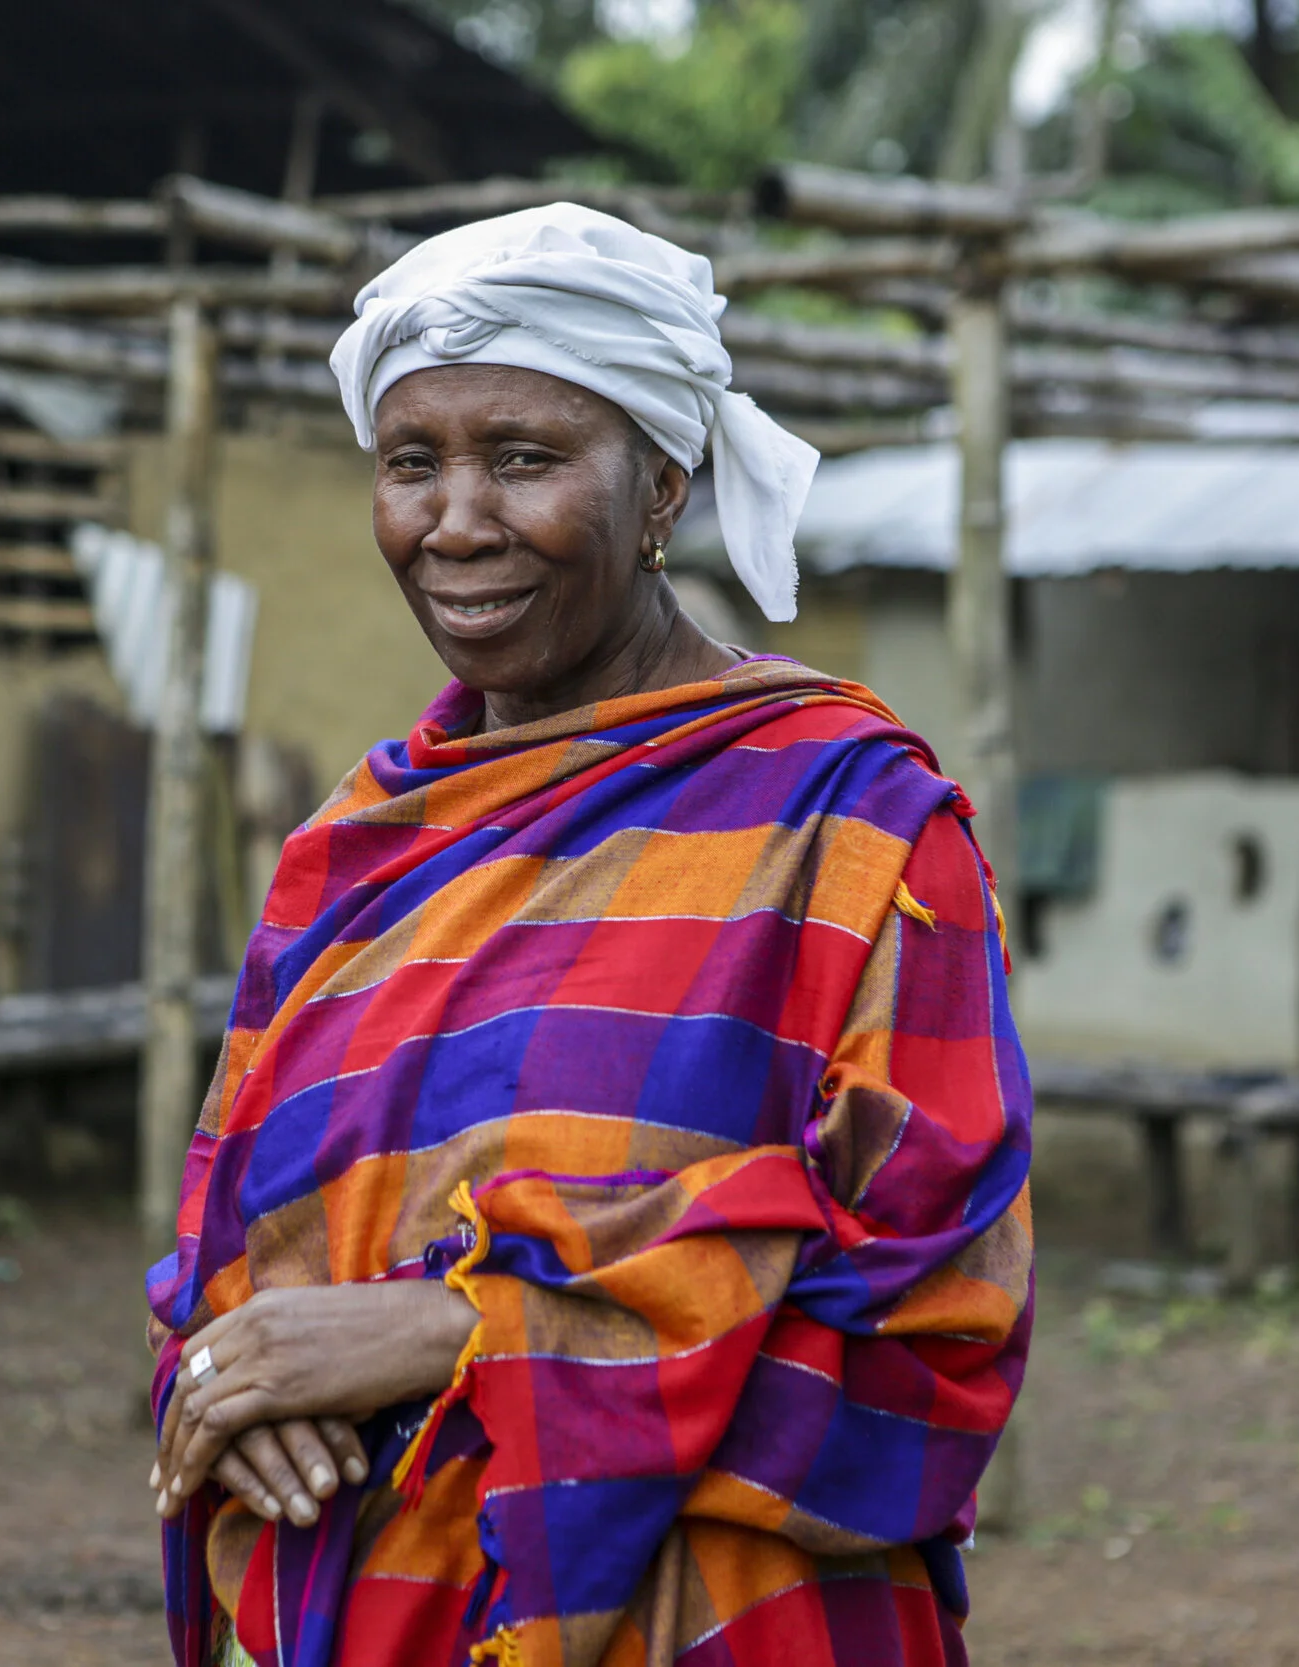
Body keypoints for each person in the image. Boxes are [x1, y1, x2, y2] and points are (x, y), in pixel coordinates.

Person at [146, 204, 1033, 1667]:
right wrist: (239, 1383)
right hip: (372, 1613)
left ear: (664, 485)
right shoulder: (359, 849)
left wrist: (462, 1332)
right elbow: (232, 1249)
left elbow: (935, 1322)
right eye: (412, 461)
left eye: (523, 458)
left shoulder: (854, 825)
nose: (456, 522)